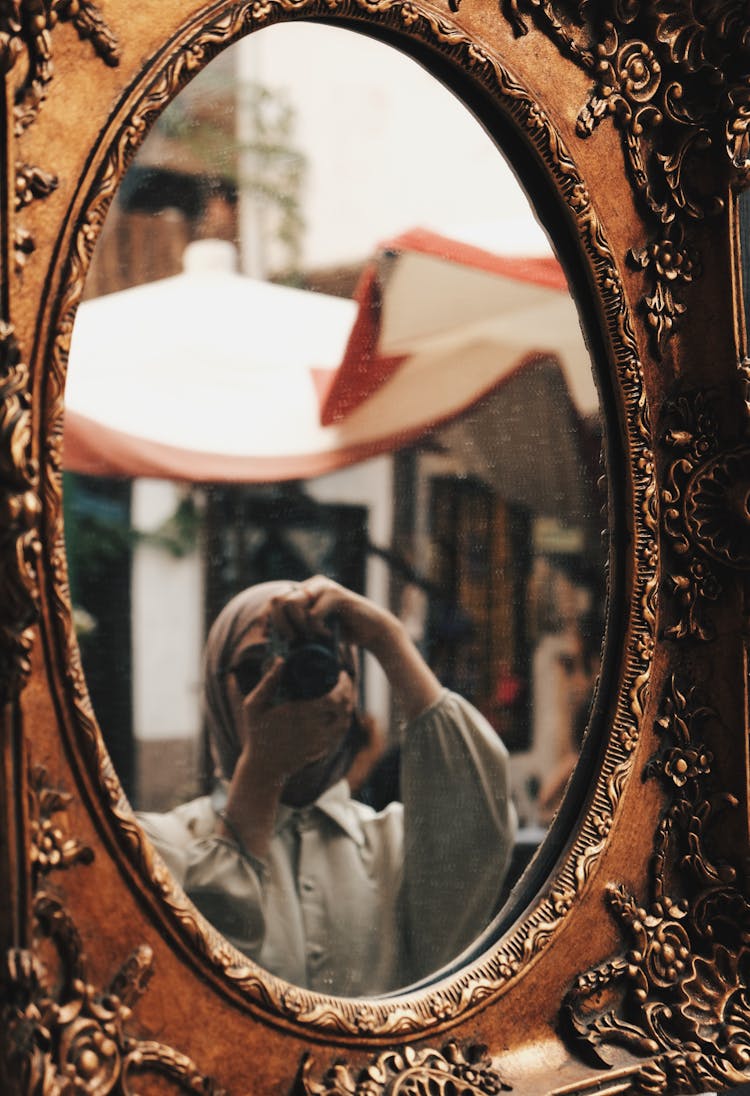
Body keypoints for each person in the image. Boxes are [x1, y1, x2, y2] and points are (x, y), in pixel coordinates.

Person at [139, 575, 516, 997]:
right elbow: (195, 994)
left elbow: (483, 824)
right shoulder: (161, 847)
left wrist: (386, 638)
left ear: (350, 689)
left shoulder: (394, 846)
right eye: (256, 669)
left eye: (312, 665)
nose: (282, 686)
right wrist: (261, 771)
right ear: (215, 688)